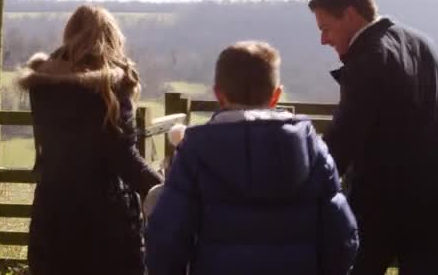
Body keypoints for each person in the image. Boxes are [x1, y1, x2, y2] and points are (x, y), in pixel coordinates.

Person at [145, 41, 358, 275]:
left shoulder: (195, 152)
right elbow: (341, 238)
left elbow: (167, 237)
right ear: (276, 96)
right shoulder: (312, 150)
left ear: (219, 94)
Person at [308, 0, 438, 274]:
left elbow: (343, 142)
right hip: (434, 202)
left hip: (379, 207)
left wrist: (305, 187)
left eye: (325, 28)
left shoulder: (367, 60)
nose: (324, 40)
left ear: (351, 15)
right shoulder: (426, 45)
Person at [17, 4, 163, 275]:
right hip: (106, 220)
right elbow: (124, 158)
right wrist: (165, 190)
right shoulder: (110, 87)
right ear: (111, 39)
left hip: (52, 212)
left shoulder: (42, 85)